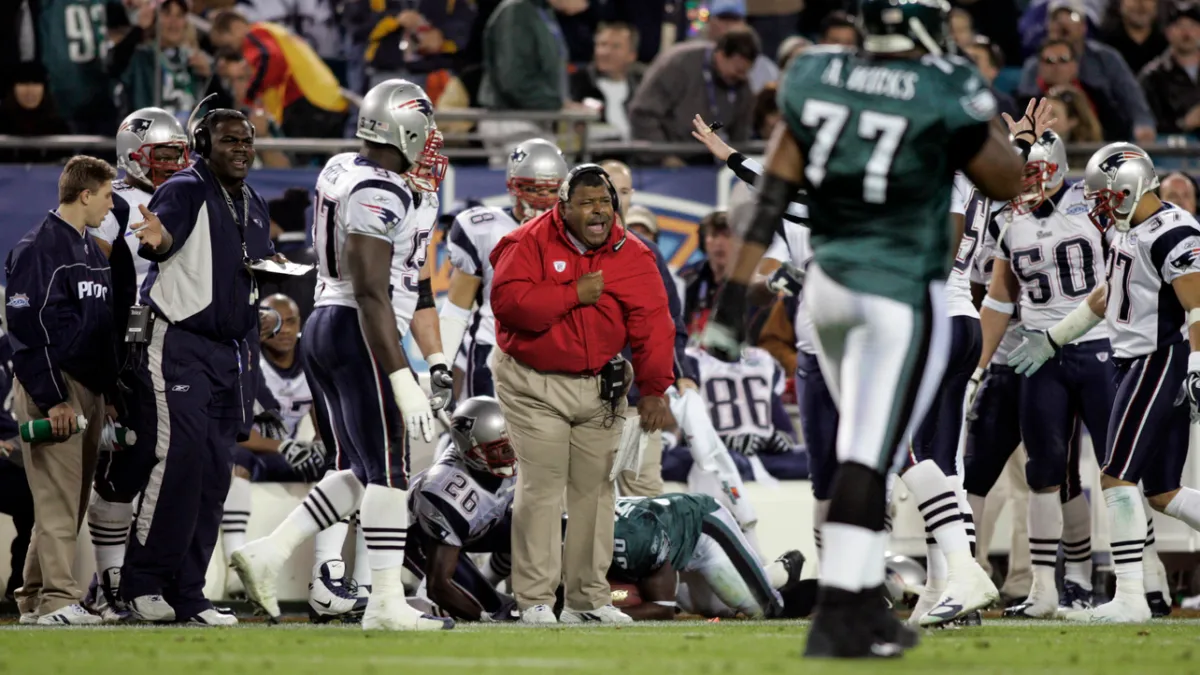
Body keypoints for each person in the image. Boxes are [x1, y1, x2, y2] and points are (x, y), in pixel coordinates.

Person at [700, 0, 1027, 657]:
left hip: (827, 287)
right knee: (875, 450)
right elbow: (1005, 176)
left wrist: (733, 301)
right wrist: (976, 120)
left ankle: (857, 604)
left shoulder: (818, 72)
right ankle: (846, 612)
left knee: (865, 448)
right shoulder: (941, 84)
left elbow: (773, 190)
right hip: (896, 286)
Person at [231, 79, 454, 632]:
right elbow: (373, 289)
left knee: (360, 468)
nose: (430, 143)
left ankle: (269, 552)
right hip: (360, 327)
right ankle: (384, 601)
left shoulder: (341, 167)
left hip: (330, 324)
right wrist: (402, 373)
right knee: (390, 472)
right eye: (423, 130)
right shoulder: (383, 191)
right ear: (401, 128)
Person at [1007, 143, 1200, 623]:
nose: (1097, 204)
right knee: (1161, 492)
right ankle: (1131, 596)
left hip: (1158, 359)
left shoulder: (1173, 230)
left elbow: (1198, 305)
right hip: (1135, 359)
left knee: (1115, 476)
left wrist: (1198, 363)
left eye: (1104, 195)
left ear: (1129, 186)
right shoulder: (1129, 230)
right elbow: (1104, 296)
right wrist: (1054, 338)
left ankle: (1131, 597)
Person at [489, 163, 676, 623]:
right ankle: (534, 598)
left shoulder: (633, 254)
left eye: (605, 203)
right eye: (587, 203)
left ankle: (587, 601)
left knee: (597, 490)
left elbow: (654, 325)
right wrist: (573, 293)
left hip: (601, 385)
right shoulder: (528, 242)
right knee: (543, 487)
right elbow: (508, 306)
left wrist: (655, 390)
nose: (598, 212)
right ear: (563, 208)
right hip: (534, 383)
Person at [117, 107, 275, 627]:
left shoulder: (254, 201)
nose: (241, 149)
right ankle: (140, 584)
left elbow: (252, 269)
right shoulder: (183, 189)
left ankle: (189, 591)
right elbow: (159, 243)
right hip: (179, 341)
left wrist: (260, 309)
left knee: (214, 472)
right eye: (230, 140)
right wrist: (157, 240)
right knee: (178, 460)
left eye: (248, 141)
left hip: (230, 349)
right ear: (204, 141)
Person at [975, 130, 1113, 619]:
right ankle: (1042, 589)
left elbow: (1121, 276)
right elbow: (999, 296)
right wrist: (980, 365)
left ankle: (1141, 584)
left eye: (1031, 171)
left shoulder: (1094, 202)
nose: (1023, 182)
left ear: (1054, 166)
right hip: (1039, 357)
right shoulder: (1007, 217)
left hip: (1101, 347)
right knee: (1043, 471)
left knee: (1121, 469)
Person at [82, 107, 190, 623]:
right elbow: (95, 270)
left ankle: (117, 578)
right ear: (134, 156)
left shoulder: (187, 194)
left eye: (177, 154)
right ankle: (107, 580)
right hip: (127, 343)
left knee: (153, 458)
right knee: (131, 456)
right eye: (162, 155)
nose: (172, 164)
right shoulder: (119, 202)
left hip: (171, 343)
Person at [5, 156, 120, 626]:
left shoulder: (90, 248)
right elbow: (27, 330)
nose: (111, 206)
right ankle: (58, 599)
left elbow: (97, 328)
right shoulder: (38, 248)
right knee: (55, 497)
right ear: (85, 194)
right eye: (108, 196)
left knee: (69, 500)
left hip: (87, 387)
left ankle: (34, 598)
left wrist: (105, 394)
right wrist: (54, 397)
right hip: (53, 384)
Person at [440, 138, 569, 399]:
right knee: (490, 436)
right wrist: (440, 364)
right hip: (494, 351)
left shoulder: (579, 232)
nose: (543, 199)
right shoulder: (482, 227)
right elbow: (456, 309)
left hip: (560, 355)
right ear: (513, 185)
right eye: (532, 188)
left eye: (551, 190)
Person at [406, 396, 519, 622]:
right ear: (470, 451)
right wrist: (481, 619)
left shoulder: (492, 456)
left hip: (475, 526)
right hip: (423, 540)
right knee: (497, 612)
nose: (510, 455)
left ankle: (490, 579)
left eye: (511, 445)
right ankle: (411, 608)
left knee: (549, 530)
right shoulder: (446, 493)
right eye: (498, 450)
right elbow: (439, 585)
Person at [608, 493, 803, 620]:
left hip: (702, 529)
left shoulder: (639, 541)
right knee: (719, 609)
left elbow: (663, 608)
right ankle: (772, 574)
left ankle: (791, 573)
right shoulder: (591, 533)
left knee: (765, 611)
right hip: (666, 540)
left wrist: (607, 614)